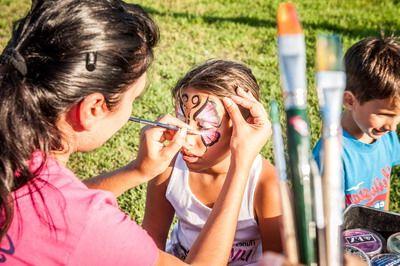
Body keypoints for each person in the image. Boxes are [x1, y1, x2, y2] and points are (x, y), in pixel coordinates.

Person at [0, 0, 271, 264]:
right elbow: (66, 212)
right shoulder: (88, 225)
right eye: (134, 98)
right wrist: (241, 164)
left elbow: (54, 202)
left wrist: (138, 171)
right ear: (93, 108)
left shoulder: (17, 162)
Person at [138, 60, 282, 265]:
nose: (185, 138)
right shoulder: (169, 165)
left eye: (203, 125)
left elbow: (278, 261)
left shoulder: (267, 185)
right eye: (181, 119)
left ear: (242, 128)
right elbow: (151, 242)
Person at [313, 36, 400, 211]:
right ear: (350, 100)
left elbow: (385, 185)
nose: (392, 126)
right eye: (384, 114)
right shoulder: (331, 154)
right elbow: (324, 218)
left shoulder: (386, 136)